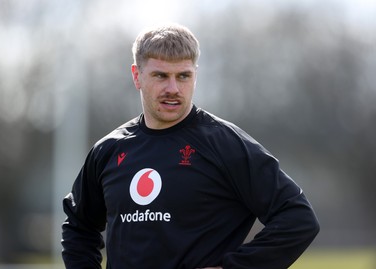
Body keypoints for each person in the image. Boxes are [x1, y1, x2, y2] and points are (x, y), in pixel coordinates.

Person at [61, 23, 320, 269]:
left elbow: (297, 218)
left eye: (183, 76)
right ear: (137, 76)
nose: (173, 88)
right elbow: (78, 226)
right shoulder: (108, 150)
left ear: (195, 76)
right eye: (160, 76)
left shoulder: (225, 144)